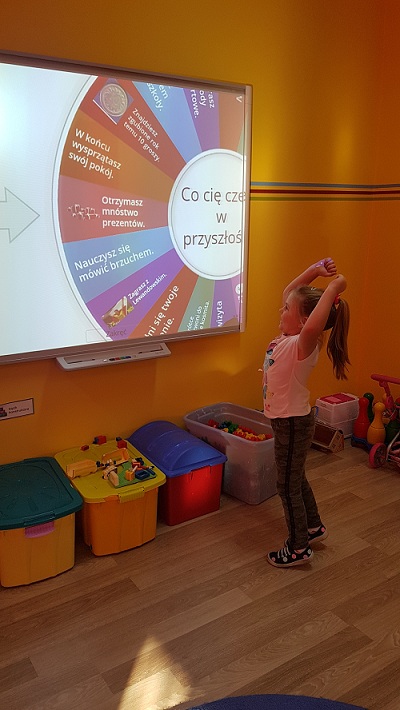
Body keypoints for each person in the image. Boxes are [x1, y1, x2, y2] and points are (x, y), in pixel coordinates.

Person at [262, 257, 350, 568]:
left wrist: (335, 287)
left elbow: (313, 324)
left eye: (287, 309)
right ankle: (313, 527)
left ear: (303, 322)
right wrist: (314, 271)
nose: (281, 309)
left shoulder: (303, 344)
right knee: (295, 478)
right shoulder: (289, 338)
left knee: (286, 486)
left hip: (293, 423)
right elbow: (290, 291)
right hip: (288, 421)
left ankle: (298, 547)